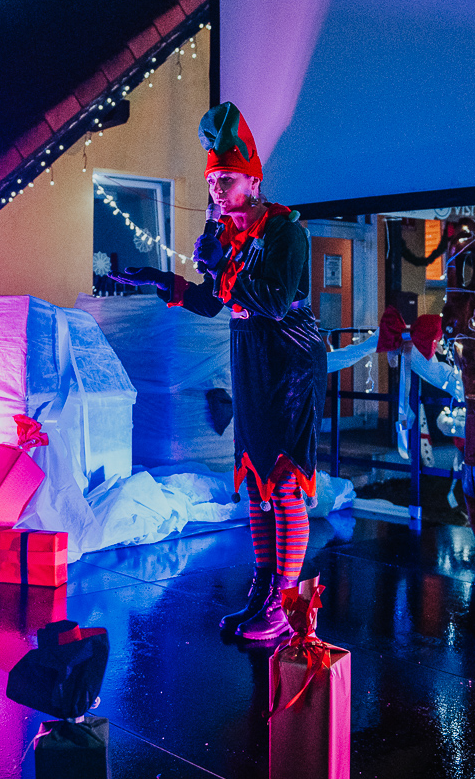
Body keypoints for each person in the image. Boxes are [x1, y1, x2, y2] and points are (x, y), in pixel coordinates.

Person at [110, 102, 325, 640]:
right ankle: (262, 590)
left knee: (282, 482)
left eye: (225, 180)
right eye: (212, 182)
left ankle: (285, 607)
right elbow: (213, 303)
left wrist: (222, 266)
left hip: (289, 362)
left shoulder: (286, 233)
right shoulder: (230, 235)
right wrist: (161, 279)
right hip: (252, 358)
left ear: (253, 180)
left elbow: (273, 301)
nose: (216, 191)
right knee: (254, 481)